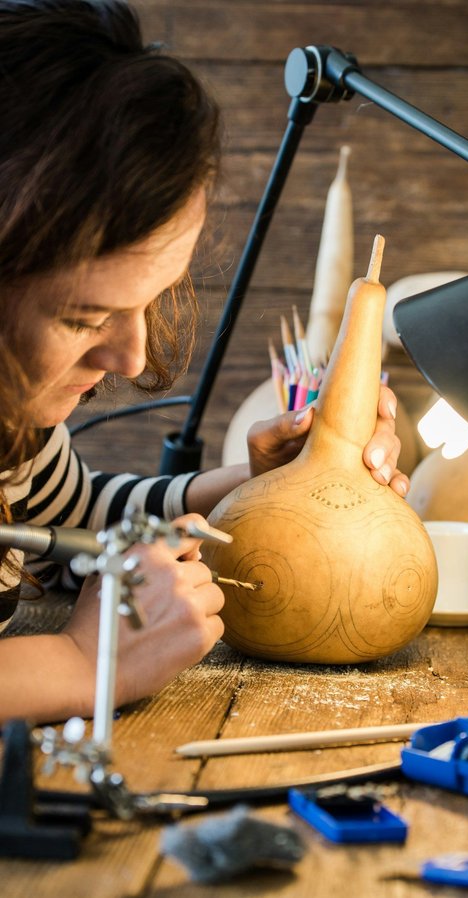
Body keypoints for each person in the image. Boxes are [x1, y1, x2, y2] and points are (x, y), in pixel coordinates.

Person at [0, 0, 408, 726]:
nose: (130, 357)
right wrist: (84, 663)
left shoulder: (15, 426)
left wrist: (256, 487)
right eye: (82, 318)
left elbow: (73, 526)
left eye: (150, 299)